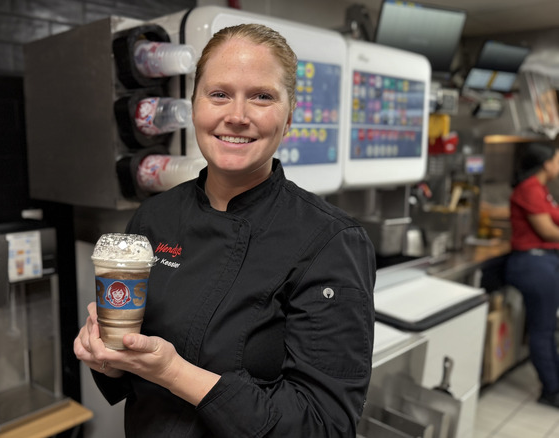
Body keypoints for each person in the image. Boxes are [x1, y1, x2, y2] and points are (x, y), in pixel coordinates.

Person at [74, 23, 376, 436]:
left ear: (289, 117)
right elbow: (130, 374)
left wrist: (173, 372)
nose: (236, 116)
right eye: (219, 94)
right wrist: (107, 358)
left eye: (262, 97)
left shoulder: (331, 242)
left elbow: (324, 426)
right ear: (194, 107)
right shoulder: (153, 217)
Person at [504, 142, 559, 409]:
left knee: (547, 328)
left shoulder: (541, 189)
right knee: (543, 329)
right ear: (546, 163)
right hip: (533, 264)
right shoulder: (529, 189)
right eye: (557, 160)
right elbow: (547, 231)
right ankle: (552, 390)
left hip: (545, 263)